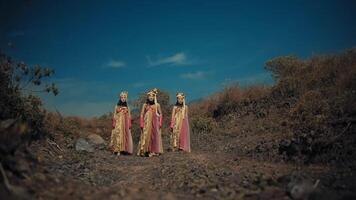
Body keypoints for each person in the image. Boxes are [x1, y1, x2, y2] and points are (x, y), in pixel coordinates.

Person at [137, 88, 163, 157]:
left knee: (154, 136)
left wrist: (160, 122)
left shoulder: (157, 105)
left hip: (155, 123)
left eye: (152, 96)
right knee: (146, 135)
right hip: (147, 123)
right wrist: (141, 123)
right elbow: (142, 114)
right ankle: (146, 150)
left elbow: (160, 114)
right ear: (148, 97)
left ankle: (154, 150)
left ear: (154, 97)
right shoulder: (145, 105)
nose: (151, 97)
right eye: (150, 96)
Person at [109, 91, 133, 156]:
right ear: (120, 98)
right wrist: (114, 122)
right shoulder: (117, 106)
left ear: (126, 98)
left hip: (125, 124)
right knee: (118, 135)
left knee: (125, 135)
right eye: (122, 97)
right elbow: (114, 114)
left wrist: (129, 123)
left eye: (124, 97)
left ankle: (124, 149)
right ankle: (117, 150)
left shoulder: (128, 107)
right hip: (118, 123)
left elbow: (129, 115)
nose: (123, 98)